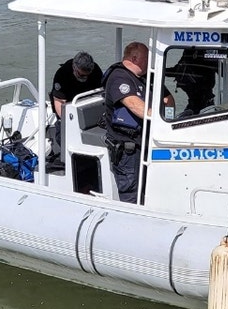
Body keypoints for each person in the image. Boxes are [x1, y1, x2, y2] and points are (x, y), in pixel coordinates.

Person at [102, 42, 170, 204]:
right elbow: (136, 106)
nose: (150, 62)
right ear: (134, 58)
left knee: (152, 186)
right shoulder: (119, 78)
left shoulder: (147, 76)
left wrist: (169, 118)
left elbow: (168, 99)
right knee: (131, 192)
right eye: (148, 58)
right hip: (128, 149)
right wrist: (163, 120)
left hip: (149, 141)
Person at [48, 51, 103, 165]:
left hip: (90, 107)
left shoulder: (96, 71)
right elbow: (59, 103)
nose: (85, 77)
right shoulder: (62, 74)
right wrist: (69, 122)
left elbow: (102, 92)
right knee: (63, 133)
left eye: (87, 75)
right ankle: (69, 161)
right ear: (74, 67)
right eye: (81, 75)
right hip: (69, 108)